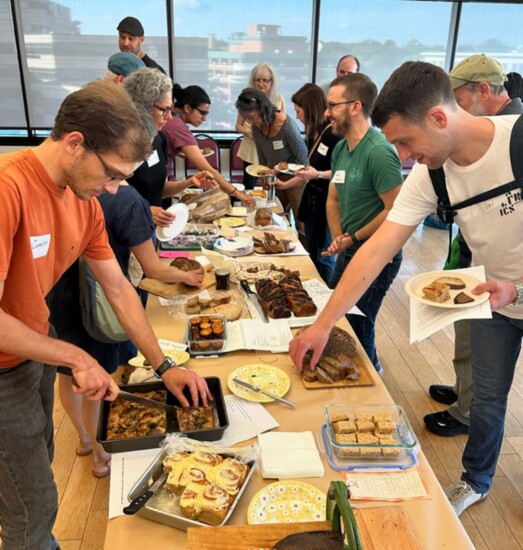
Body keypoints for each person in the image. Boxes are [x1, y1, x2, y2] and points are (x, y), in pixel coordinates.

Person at [289, 60, 523, 517]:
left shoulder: (518, 141)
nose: (404, 155)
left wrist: (517, 288)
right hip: (493, 300)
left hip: (509, 290)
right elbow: (376, 251)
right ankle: (476, 480)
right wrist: (323, 324)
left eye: (405, 142)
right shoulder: (430, 172)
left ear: (439, 117)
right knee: (486, 398)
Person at [0, 80, 210, 549]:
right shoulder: (8, 188)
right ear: (74, 143)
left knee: (38, 459)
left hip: (30, 345)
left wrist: (165, 366)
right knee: (31, 503)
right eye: (112, 173)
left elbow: (118, 287)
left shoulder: (86, 202)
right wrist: (76, 357)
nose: (115, 188)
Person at [48, 180, 204, 477]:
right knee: (97, 377)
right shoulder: (126, 197)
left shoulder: (73, 186)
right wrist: (188, 276)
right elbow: (151, 268)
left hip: (60, 293)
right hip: (97, 304)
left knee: (68, 373)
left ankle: (83, 438)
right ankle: (99, 453)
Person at [424, 54, 523, 437]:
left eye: (458, 101)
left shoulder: (509, 136)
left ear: (483, 90)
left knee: (476, 337)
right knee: (466, 332)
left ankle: (467, 406)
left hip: (501, 275)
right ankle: (466, 392)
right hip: (473, 255)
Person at [322, 73, 403, 374]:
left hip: (379, 256)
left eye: (332, 105)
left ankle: (373, 380)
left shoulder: (379, 151)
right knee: (339, 314)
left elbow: (395, 210)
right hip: (351, 250)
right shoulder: (341, 149)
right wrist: (338, 237)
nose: (326, 112)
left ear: (355, 107)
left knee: (359, 321)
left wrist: (353, 237)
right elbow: (334, 198)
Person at [122, 68, 213, 227]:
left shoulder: (158, 139)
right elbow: (110, 199)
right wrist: (147, 211)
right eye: (164, 110)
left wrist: (190, 182)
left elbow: (160, 189)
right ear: (142, 106)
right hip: (128, 231)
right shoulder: (120, 148)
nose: (170, 117)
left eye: (170, 110)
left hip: (153, 229)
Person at [272, 83, 342, 282]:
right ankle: (315, 288)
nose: (297, 116)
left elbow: (342, 172)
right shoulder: (314, 133)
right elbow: (308, 169)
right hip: (312, 200)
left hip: (328, 202)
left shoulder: (333, 134)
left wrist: (318, 174)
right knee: (312, 251)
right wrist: (286, 184)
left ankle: (326, 294)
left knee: (324, 255)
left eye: (298, 111)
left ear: (310, 108)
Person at [162, 83, 254, 206]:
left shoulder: (171, 116)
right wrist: (238, 194)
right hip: (158, 184)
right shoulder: (177, 125)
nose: (204, 119)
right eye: (203, 113)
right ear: (188, 108)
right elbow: (208, 169)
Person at [236, 87, 308, 241]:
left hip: (296, 178)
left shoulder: (286, 125)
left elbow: (303, 160)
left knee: (302, 225)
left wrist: (282, 173)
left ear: (263, 108)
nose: (250, 122)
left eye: (252, 117)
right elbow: (263, 159)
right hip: (275, 178)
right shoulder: (256, 127)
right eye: (246, 118)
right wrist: (267, 176)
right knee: (274, 220)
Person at [235, 63, 286, 189]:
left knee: (270, 184)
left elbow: (284, 125)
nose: (261, 83)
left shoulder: (279, 99)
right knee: (249, 184)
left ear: (271, 82)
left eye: (264, 80)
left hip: (271, 149)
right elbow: (238, 126)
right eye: (258, 80)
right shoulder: (247, 99)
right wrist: (248, 132)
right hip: (250, 148)